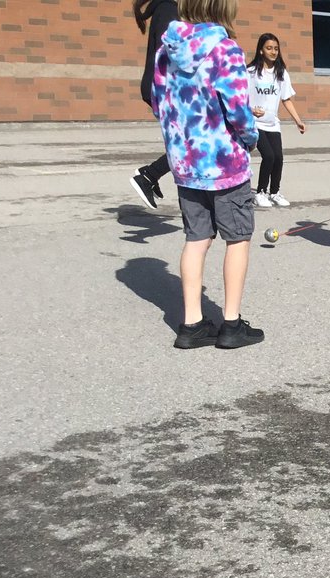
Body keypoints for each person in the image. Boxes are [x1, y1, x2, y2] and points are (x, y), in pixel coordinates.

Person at [153, 0, 263, 350]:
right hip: (224, 163)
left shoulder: (165, 52)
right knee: (237, 237)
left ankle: (191, 324)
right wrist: (251, 139)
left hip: (186, 163)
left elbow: (159, 103)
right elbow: (238, 110)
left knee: (196, 238)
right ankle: (231, 323)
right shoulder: (225, 50)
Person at [129, 0, 178, 209]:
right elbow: (169, 50)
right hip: (165, 86)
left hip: (161, 86)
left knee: (182, 142)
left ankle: (150, 175)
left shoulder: (165, 8)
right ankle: (148, 175)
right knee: (188, 144)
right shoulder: (169, 9)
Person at [248, 33, 306, 209]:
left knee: (279, 158)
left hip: (273, 123)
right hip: (255, 123)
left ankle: (274, 192)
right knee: (269, 156)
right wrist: (250, 110)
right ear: (260, 50)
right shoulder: (250, 72)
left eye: (276, 48)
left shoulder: (281, 73)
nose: (273, 51)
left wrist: (298, 121)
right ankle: (260, 193)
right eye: (269, 48)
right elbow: (238, 97)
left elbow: (286, 99)